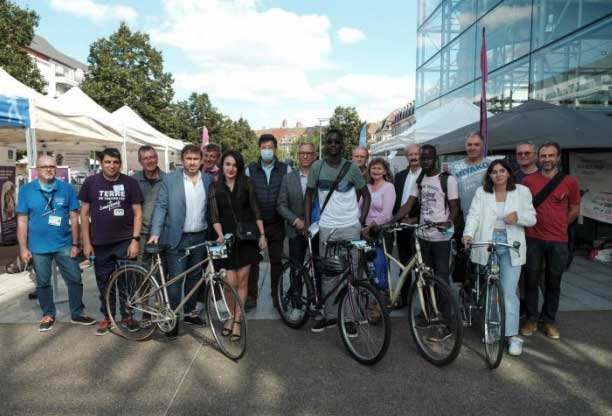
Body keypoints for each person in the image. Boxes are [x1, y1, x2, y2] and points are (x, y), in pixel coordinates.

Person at [462, 159, 536, 356]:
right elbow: (474, 215)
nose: (498, 174)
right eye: (494, 172)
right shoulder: (482, 192)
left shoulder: (521, 192)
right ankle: (493, 329)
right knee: (492, 290)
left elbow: (532, 217)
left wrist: (518, 218)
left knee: (509, 291)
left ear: (509, 173)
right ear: (490, 175)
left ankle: (512, 336)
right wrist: (468, 234)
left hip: (511, 244)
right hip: (488, 242)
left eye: (502, 171)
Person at [16, 155, 96, 332]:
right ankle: (48, 313)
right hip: (38, 246)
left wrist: (76, 244)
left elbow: (74, 217)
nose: (49, 169)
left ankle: (77, 312)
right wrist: (23, 248)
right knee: (43, 283)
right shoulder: (27, 190)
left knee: (75, 279)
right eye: (44, 167)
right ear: (37, 169)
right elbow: (22, 220)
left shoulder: (66, 188)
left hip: (64, 244)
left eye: (52, 166)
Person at [304, 129, 371, 332]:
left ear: (342, 145)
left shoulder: (352, 168)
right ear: (327, 144)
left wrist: (361, 221)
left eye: (337, 142)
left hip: (350, 227)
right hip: (327, 228)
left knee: (352, 273)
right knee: (329, 273)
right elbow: (308, 196)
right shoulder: (317, 167)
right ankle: (331, 315)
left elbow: (366, 196)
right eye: (330, 142)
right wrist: (308, 224)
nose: (333, 145)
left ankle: (349, 318)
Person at [148, 144, 214, 339]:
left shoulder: (209, 180)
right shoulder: (171, 180)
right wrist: (155, 232)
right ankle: (173, 318)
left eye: (195, 159)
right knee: (176, 280)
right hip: (178, 238)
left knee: (195, 277)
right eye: (188, 158)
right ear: (182, 160)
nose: (192, 162)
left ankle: (190, 312)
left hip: (200, 237)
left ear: (201, 160)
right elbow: (161, 206)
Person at [79, 148, 143, 336]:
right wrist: (86, 242)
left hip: (125, 242)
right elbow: (83, 214)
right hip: (100, 243)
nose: (111, 165)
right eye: (107, 162)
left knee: (126, 281)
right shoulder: (91, 183)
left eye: (115, 162)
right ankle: (107, 316)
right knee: (104, 283)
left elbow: (138, 213)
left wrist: (135, 240)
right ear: (101, 163)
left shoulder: (130, 183)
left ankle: (127, 316)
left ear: (120, 164)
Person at [521, 142, 580, 340]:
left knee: (553, 282)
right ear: (538, 157)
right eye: (543, 156)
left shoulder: (570, 182)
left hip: (558, 240)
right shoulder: (529, 181)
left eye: (550, 156)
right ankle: (531, 318)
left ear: (558, 157)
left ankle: (548, 321)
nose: (547, 159)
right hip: (533, 237)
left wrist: (562, 226)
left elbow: (574, 208)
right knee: (531, 280)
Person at [379, 145, 459, 285]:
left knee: (441, 276)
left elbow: (454, 207)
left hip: (440, 236)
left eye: (428, 158)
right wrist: (391, 222)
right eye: (423, 158)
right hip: (422, 235)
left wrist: (449, 222)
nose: (425, 161)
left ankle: (443, 307)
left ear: (435, 159)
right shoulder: (420, 180)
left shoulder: (447, 179)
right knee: (425, 275)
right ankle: (427, 306)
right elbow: (408, 205)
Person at [208, 150, 266, 340]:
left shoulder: (246, 184)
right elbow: (214, 215)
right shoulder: (215, 187)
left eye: (234, 165)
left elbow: (256, 210)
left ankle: (237, 320)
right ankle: (230, 315)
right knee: (229, 283)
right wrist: (219, 235)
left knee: (242, 281)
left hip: (247, 240)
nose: (231, 168)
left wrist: (262, 234)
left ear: (239, 167)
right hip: (225, 240)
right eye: (227, 164)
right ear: (222, 166)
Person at [245, 134, 291, 310]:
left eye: (270, 147)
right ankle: (251, 296)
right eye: (264, 147)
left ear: (275, 149)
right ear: (259, 149)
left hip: (277, 223)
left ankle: (276, 295)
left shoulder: (285, 169)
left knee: (276, 261)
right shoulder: (251, 170)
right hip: (256, 223)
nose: (267, 151)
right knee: (253, 261)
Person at [277, 142, 316, 287]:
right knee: (296, 267)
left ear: (314, 156)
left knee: (318, 267)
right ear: (298, 156)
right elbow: (280, 205)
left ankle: (319, 301)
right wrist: (295, 220)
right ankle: (296, 302)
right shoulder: (288, 178)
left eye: (309, 153)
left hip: (318, 230)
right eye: (302, 153)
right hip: (296, 230)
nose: (305, 156)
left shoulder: (321, 177)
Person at [393, 143, 421, 304]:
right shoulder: (400, 176)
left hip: (419, 224)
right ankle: (404, 299)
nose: (414, 157)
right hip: (401, 225)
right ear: (406, 157)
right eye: (411, 154)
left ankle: (424, 300)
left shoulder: (426, 174)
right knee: (404, 263)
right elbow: (397, 200)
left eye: (416, 154)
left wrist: (415, 217)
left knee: (421, 265)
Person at [447, 132, 498, 220]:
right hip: (464, 217)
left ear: (482, 146)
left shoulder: (491, 165)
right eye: (469, 145)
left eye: (476, 145)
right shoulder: (454, 167)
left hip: (488, 216)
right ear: (465, 147)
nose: (472, 148)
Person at [363, 157, 396, 291]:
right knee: (370, 268)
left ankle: (381, 302)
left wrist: (369, 227)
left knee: (380, 267)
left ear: (384, 171)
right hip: (366, 233)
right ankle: (374, 298)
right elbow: (360, 207)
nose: (376, 171)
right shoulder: (366, 187)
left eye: (379, 168)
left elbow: (387, 214)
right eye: (373, 168)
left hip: (381, 233)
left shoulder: (389, 187)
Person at [132, 145, 166, 260]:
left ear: (157, 158)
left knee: (161, 269)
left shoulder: (168, 179)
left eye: (152, 157)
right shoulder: (133, 181)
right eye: (145, 158)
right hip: (140, 234)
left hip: (162, 233)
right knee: (141, 269)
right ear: (140, 161)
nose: (149, 161)